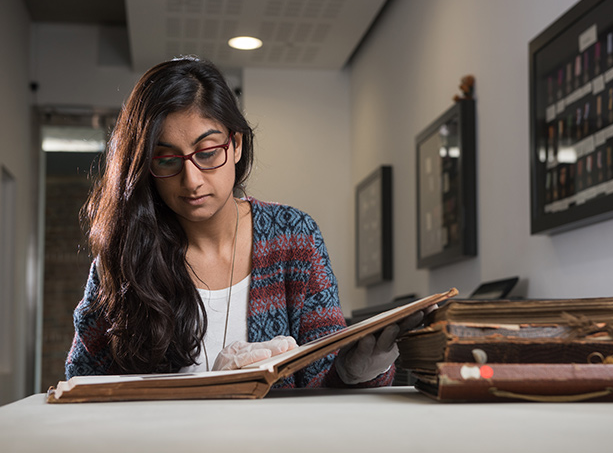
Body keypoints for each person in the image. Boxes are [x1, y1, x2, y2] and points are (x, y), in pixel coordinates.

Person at [65, 55, 421, 388]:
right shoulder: (125, 254)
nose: (191, 180)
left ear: (235, 144)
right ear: (145, 166)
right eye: (167, 160)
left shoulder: (293, 236)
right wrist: (206, 391)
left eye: (207, 153)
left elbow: (323, 382)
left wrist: (355, 372)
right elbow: (81, 382)